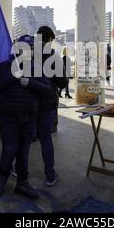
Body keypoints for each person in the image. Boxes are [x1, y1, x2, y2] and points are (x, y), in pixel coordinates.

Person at [0, 35, 50, 199]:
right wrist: (13, 76)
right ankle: (2, 180)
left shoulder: (36, 68)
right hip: (8, 119)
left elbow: (47, 90)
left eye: (31, 48)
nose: (28, 51)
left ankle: (22, 184)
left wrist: (30, 83)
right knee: (9, 150)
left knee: (24, 152)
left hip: (29, 118)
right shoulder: (4, 66)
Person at [35, 26, 68, 185]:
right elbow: (62, 81)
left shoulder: (27, 54)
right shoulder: (53, 57)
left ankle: (17, 168)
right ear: (49, 39)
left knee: (25, 138)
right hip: (47, 103)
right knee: (46, 138)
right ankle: (50, 175)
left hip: (30, 102)